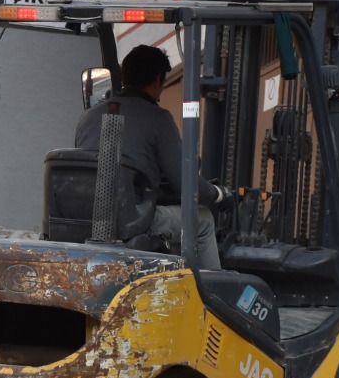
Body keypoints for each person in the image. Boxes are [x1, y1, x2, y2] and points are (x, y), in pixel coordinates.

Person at [74, 44, 230, 269]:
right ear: (158, 79)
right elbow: (184, 182)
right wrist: (218, 194)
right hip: (127, 220)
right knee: (203, 219)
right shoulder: (158, 118)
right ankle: (210, 294)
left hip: (82, 215)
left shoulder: (87, 118)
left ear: (124, 75)